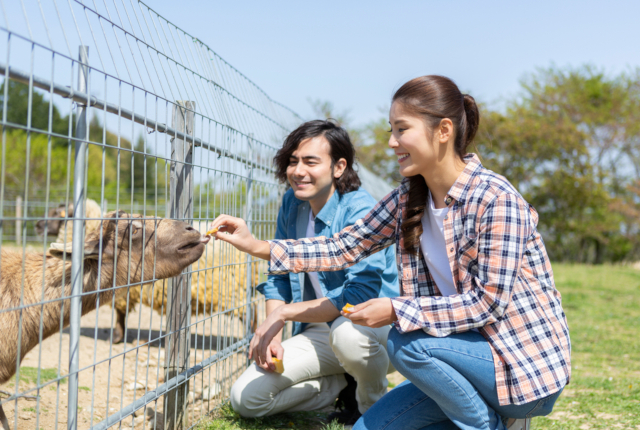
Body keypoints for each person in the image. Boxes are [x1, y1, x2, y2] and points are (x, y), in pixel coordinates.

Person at [211, 76, 571, 430]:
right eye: (390, 130)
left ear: (443, 130)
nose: (391, 142)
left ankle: (491, 425)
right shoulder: (409, 197)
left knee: (407, 340)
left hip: (517, 367)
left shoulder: (495, 199)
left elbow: (487, 303)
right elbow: (345, 246)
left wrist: (397, 308)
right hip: (453, 361)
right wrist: (256, 245)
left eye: (401, 130)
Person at [228, 120, 399, 425]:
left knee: (348, 336)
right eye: (293, 161)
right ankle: (342, 385)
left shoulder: (359, 210)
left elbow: (356, 299)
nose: (298, 171)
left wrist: (284, 314)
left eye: (310, 161)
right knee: (246, 399)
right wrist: (274, 336)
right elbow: (278, 275)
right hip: (319, 329)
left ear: (338, 166)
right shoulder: (293, 204)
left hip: (369, 329)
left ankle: (371, 410)